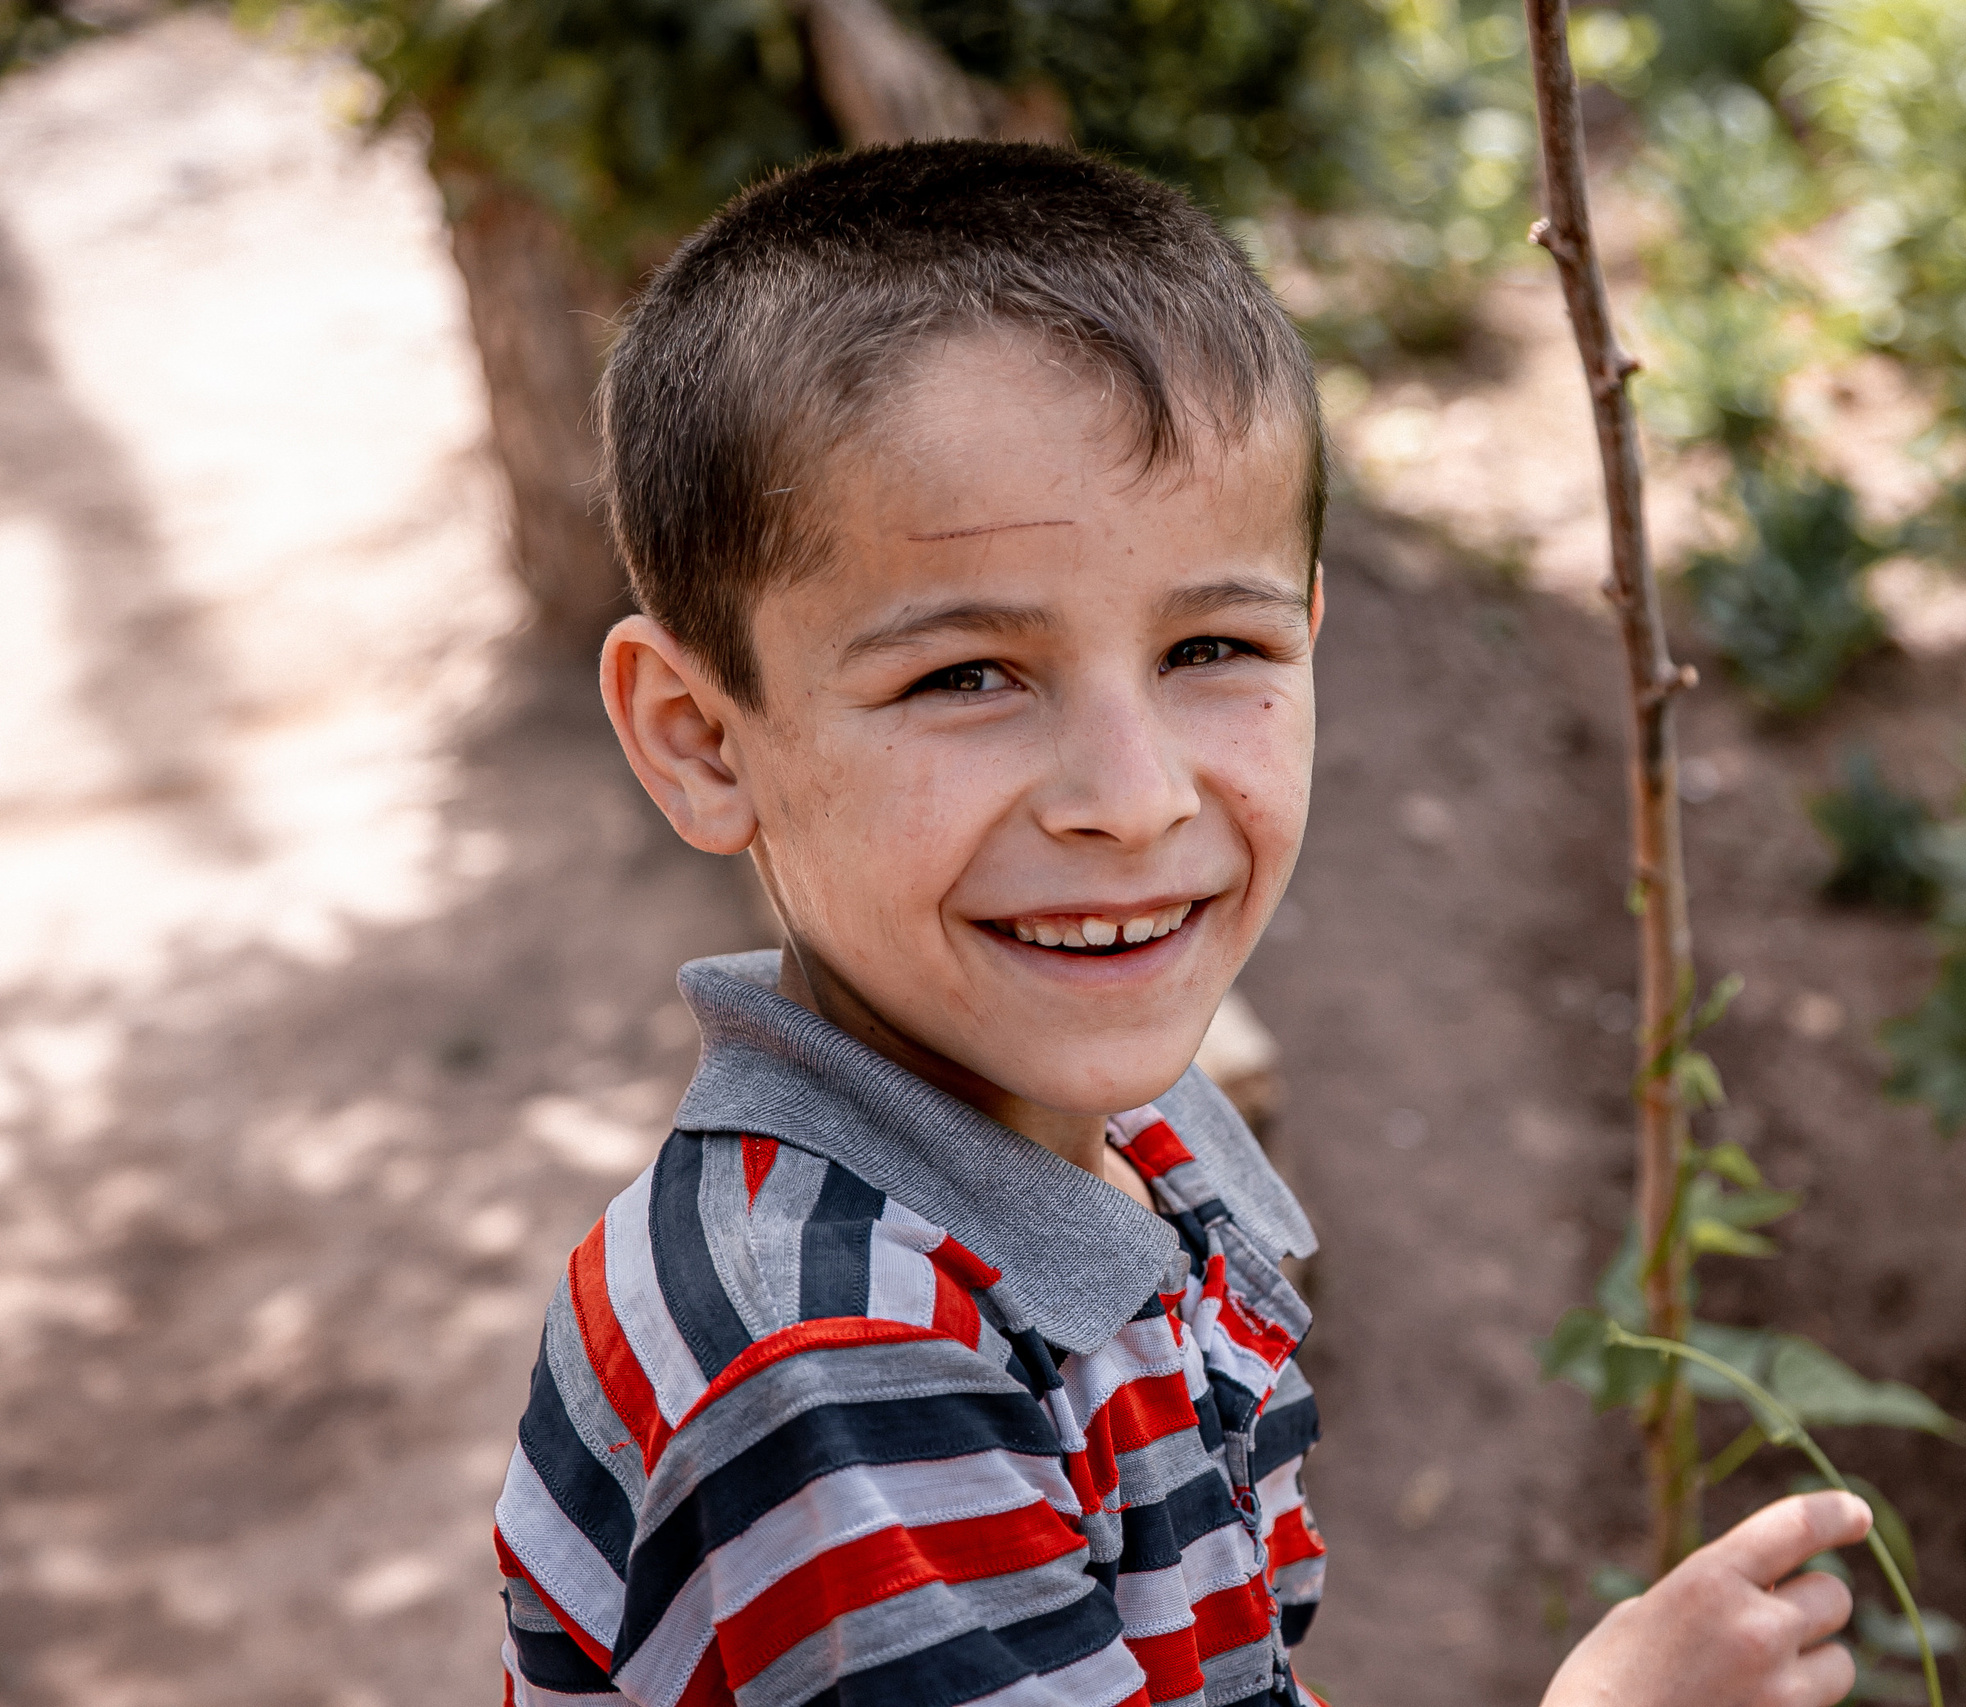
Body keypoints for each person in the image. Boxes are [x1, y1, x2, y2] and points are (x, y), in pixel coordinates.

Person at [491, 140, 1872, 1707]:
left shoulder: (1137, 1127)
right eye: (965, 676)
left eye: (1213, 649)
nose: (1135, 800)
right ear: (701, 736)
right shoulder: (830, 1371)